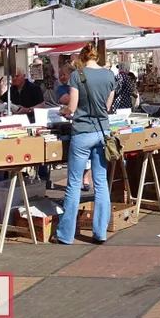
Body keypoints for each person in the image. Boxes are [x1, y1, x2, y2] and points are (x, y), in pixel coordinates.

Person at [56, 43, 115, 245]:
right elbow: (107, 106)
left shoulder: (77, 75)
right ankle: (100, 232)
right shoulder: (109, 75)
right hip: (102, 131)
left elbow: (71, 107)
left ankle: (66, 234)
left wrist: (62, 111)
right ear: (97, 57)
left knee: (73, 183)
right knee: (101, 183)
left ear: (82, 57)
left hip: (82, 132)